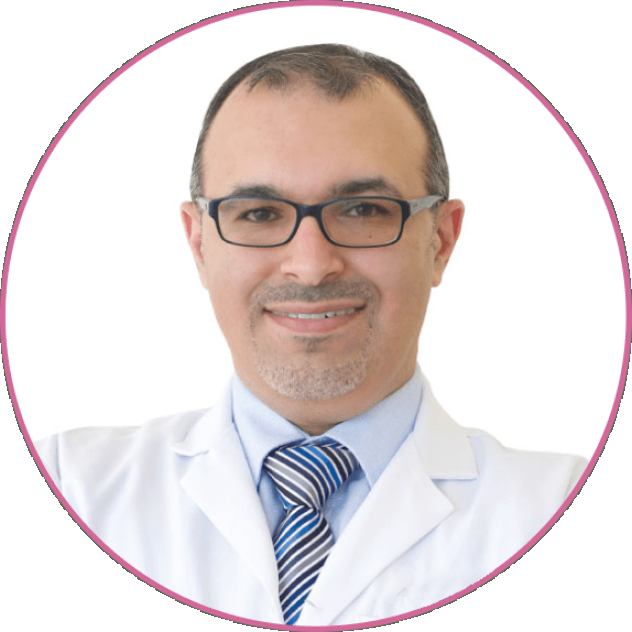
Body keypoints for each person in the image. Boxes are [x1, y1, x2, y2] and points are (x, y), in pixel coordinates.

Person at [36, 44, 586, 626]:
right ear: (198, 244)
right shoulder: (65, 490)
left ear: (440, 242)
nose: (310, 265)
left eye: (363, 210)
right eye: (258, 213)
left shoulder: (567, 514)